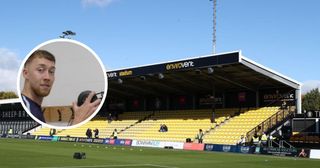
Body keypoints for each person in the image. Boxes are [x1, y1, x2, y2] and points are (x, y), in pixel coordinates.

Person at [21, 50, 101, 125]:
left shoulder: (35, 109)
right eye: (40, 70)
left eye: (51, 71)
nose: (47, 77)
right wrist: (78, 119)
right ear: (26, 73)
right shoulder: (27, 108)